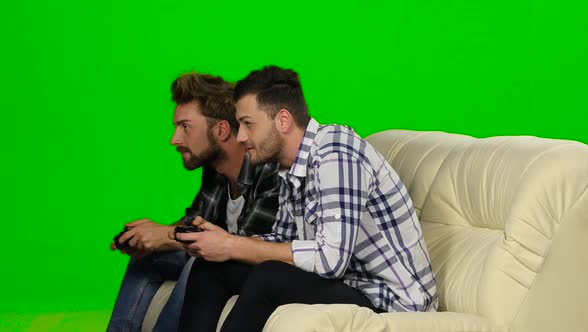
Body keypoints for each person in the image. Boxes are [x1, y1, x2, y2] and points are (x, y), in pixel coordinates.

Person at [176, 65, 438, 332]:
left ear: (283, 121)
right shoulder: (292, 167)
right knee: (212, 268)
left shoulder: (335, 154)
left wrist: (233, 245)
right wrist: (220, 243)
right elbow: (282, 238)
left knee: (269, 277)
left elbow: (330, 259)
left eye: (247, 124)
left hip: (390, 300)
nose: (240, 137)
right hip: (349, 283)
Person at [107, 72, 280, 332]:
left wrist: (166, 235)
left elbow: (248, 244)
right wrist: (149, 237)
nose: (174, 139)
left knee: (199, 265)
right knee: (147, 258)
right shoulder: (215, 166)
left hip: (259, 269)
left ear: (221, 129)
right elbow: (196, 222)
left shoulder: (270, 167)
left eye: (185, 127)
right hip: (224, 260)